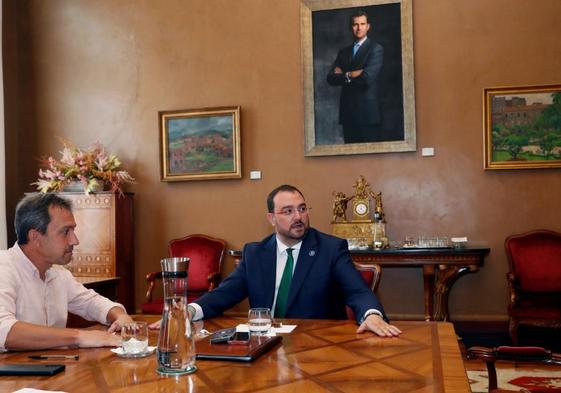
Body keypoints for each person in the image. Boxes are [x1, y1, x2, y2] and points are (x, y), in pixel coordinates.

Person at [174, 185, 401, 337]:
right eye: (288, 211)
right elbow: (226, 293)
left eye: (302, 209)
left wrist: (371, 314)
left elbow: (358, 291)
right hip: (264, 344)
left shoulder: (331, 249)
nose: (298, 217)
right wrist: (190, 311)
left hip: (318, 344)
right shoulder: (255, 253)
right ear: (271, 218)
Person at [0, 193, 133, 351]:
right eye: (65, 232)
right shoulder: (4, 267)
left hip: (52, 369)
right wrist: (79, 336)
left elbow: (91, 303)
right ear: (35, 236)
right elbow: (4, 331)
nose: (74, 240)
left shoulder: (58, 273)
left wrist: (119, 315)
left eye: (73, 230)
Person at [326, 10, 384, 144]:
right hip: (348, 114)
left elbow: (366, 78)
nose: (359, 28)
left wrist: (343, 74)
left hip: (367, 116)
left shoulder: (376, 49)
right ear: (350, 27)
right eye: (355, 24)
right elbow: (330, 78)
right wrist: (351, 74)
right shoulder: (343, 52)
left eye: (362, 24)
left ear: (368, 26)